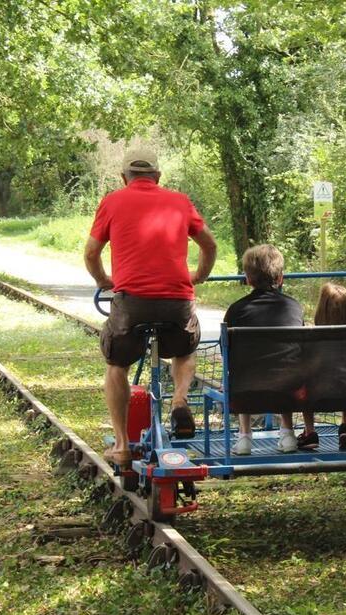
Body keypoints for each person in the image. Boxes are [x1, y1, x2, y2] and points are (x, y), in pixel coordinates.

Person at [84, 148, 217, 467]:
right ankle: (180, 399)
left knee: (117, 363)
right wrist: (198, 275)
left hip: (132, 304)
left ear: (123, 177)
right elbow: (209, 245)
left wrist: (105, 280)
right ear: (157, 177)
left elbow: (91, 253)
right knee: (185, 349)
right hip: (176, 302)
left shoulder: (112, 201)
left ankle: (121, 445)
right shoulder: (180, 201)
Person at [224, 244, 303, 454]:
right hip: (288, 390)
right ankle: (287, 434)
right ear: (281, 278)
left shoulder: (236, 310)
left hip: (246, 390)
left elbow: (228, 354)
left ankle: (244, 437)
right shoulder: (293, 307)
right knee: (286, 367)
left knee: (243, 370)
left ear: (248, 279)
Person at [297, 283, 346, 451]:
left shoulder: (312, 339)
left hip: (319, 395)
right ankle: (345, 426)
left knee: (304, 379)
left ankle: (310, 432)